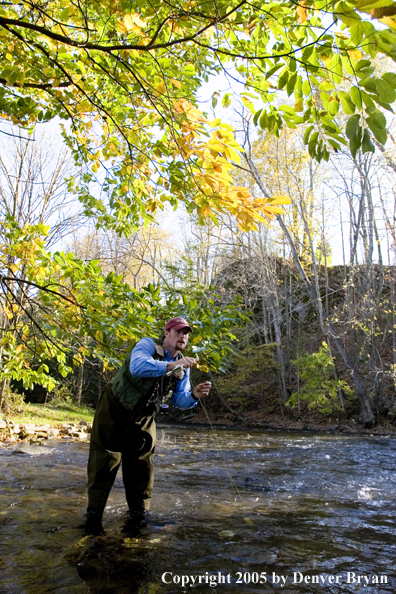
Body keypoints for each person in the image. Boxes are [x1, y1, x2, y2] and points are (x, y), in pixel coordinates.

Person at [84, 316, 211, 534]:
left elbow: (179, 400)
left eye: (186, 333)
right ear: (167, 333)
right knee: (104, 461)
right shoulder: (146, 345)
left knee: (143, 465)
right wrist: (172, 365)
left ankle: (138, 517)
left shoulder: (184, 366)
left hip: (144, 416)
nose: (183, 336)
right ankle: (93, 517)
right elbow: (137, 367)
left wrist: (194, 395)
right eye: (179, 331)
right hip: (113, 408)